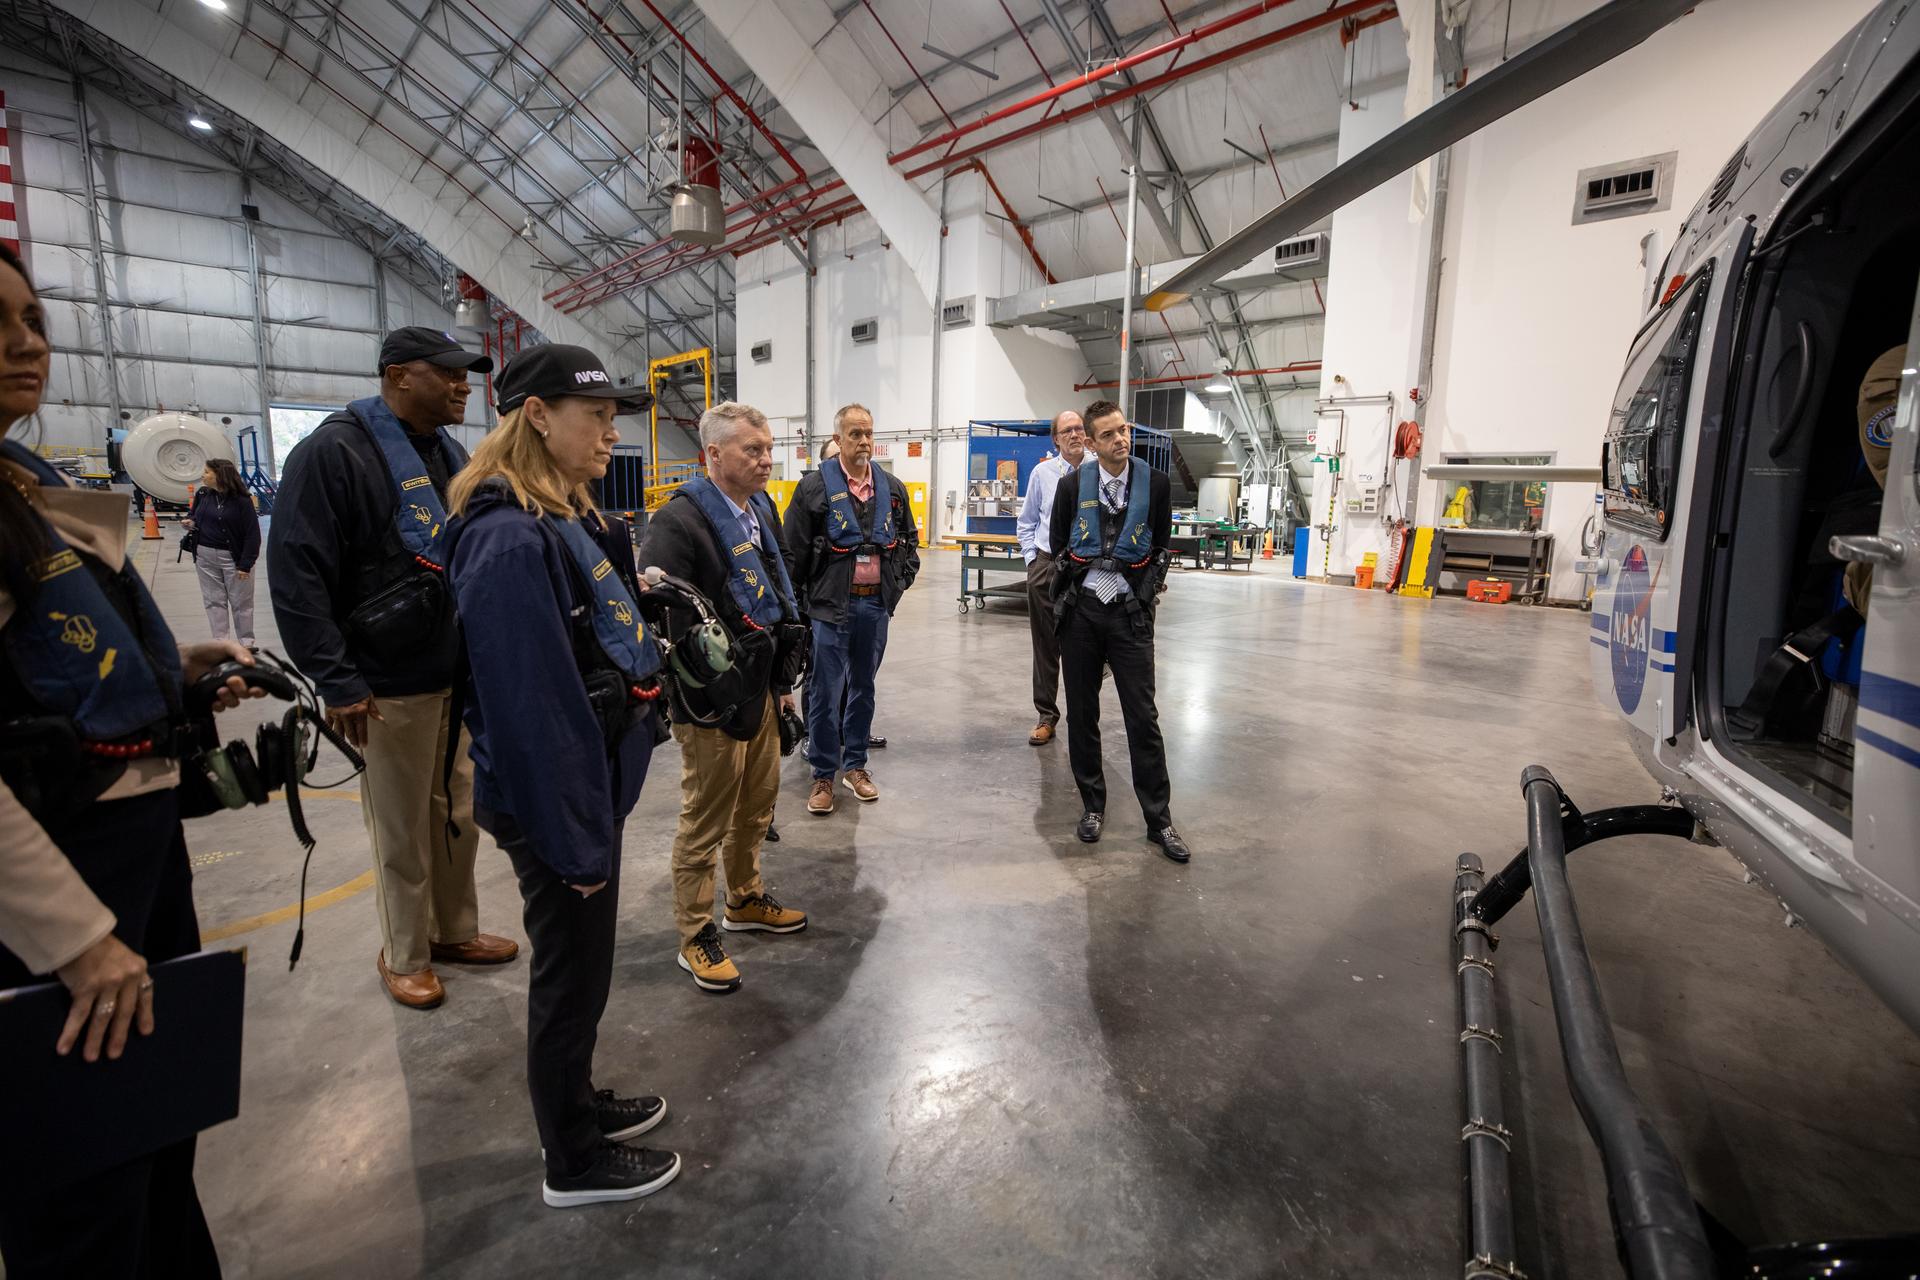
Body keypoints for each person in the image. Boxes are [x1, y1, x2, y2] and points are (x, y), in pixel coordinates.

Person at [0, 241, 263, 1277]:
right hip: (64, 902)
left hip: (137, 864)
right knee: (81, 1193)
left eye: (32, 318)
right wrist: (72, 938)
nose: (27, 341)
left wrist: (176, 666)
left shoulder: (25, 476)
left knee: (155, 1145)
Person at [445, 343, 679, 1209]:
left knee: (588, 973)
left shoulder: (563, 521)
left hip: (584, 795)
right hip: (556, 808)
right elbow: (532, 714)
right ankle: (571, 1160)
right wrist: (579, 845)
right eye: (597, 418)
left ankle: (580, 1102)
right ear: (537, 416)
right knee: (568, 976)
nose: (611, 434)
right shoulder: (508, 540)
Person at [267, 326, 517, 1009]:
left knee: (457, 816)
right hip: (383, 683)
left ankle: (452, 931)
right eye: (449, 373)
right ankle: (404, 951)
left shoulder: (447, 452)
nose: (465, 384)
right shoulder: (334, 452)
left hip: (454, 672)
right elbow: (296, 575)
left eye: (468, 374)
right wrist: (337, 678)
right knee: (402, 826)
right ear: (399, 376)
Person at [638, 401, 809, 993]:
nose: (767, 459)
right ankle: (694, 935)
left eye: (767, 448)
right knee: (706, 816)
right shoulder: (678, 523)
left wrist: (781, 687)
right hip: (712, 701)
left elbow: (776, 587)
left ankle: (744, 899)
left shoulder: (759, 507)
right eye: (752, 450)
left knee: (757, 805)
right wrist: (711, 687)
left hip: (761, 686)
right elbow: (660, 619)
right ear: (714, 455)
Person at [1048, 399, 1190, 864]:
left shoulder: (1157, 483)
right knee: (1082, 713)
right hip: (1083, 614)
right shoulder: (1071, 487)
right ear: (1089, 442)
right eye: (1108, 435)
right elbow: (1057, 544)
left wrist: (1145, 594)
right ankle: (1093, 805)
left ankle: (1159, 818)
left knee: (1142, 718)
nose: (1120, 440)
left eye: (1123, 431)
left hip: (1129, 615)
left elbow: (1163, 543)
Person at [784, 404, 920, 815]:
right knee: (825, 693)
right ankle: (824, 773)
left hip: (873, 608)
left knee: (863, 688)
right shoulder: (813, 490)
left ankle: (855, 766)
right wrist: (802, 609)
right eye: (855, 434)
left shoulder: (891, 488)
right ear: (838, 438)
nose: (863, 442)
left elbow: (909, 543)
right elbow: (793, 554)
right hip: (829, 611)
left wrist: (895, 587)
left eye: (868, 434)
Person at [1014, 409, 1087, 746]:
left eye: (1079, 428)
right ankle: (1046, 716)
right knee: (1045, 645)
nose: (1075, 434)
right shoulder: (1043, 473)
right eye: (1067, 430)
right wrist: (1033, 563)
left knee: (1083, 643)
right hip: (1047, 565)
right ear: (1056, 438)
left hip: (1086, 568)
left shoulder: (1097, 471)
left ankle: (1084, 715)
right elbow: (1027, 521)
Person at [184, 457, 261, 647]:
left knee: (241, 602)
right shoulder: (203, 494)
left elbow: (253, 534)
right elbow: (194, 515)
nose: (203, 475)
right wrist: (190, 522)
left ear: (220, 475)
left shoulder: (242, 500)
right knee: (213, 600)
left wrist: (246, 564)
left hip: (233, 559)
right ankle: (221, 643)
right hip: (204, 556)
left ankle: (246, 643)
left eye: (208, 472)